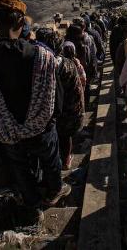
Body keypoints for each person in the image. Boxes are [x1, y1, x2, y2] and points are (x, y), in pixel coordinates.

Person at [0, 0, 71, 219]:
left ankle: (32, 205)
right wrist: (53, 119)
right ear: (22, 23)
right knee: (51, 161)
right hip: (41, 126)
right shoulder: (42, 56)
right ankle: (54, 191)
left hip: (6, 131)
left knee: (20, 169)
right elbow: (57, 95)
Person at [35, 30, 86, 171]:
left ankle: (61, 162)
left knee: (58, 137)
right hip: (69, 110)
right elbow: (79, 86)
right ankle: (65, 160)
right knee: (64, 137)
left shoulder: (44, 66)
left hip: (58, 111)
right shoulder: (68, 63)